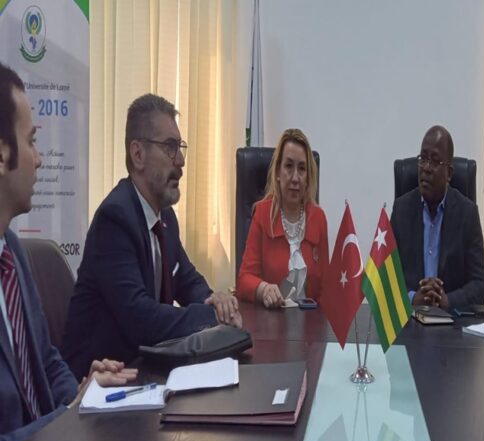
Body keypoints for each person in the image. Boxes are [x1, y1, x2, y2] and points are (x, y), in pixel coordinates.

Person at [0, 62, 136, 441]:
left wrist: (81, 394)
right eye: (31, 141)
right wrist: (66, 416)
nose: (40, 159)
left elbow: (46, 359)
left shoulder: (12, 251)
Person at [61, 94, 241, 380]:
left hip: (143, 370)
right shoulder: (115, 219)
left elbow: (187, 280)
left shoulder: (164, 217)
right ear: (138, 155)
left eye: (180, 147)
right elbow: (142, 319)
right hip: (99, 384)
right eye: (170, 147)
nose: (180, 161)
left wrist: (216, 301)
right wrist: (211, 317)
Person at [391, 125, 484, 311]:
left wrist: (447, 300)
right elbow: (387, 279)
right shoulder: (401, 210)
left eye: (435, 161)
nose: (426, 168)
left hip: (451, 321)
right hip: (412, 320)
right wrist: (412, 297)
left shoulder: (467, 214)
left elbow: (481, 285)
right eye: (423, 159)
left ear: (449, 174)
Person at [236, 128, 329, 308]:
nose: (295, 178)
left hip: (310, 322)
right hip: (271, 319)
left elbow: (325, 288)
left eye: (302, 169)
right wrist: (263, 289)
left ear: (308, 177)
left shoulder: (318, 218)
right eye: (288, 166)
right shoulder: (262, 214)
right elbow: (244, 280)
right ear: (278, 172)